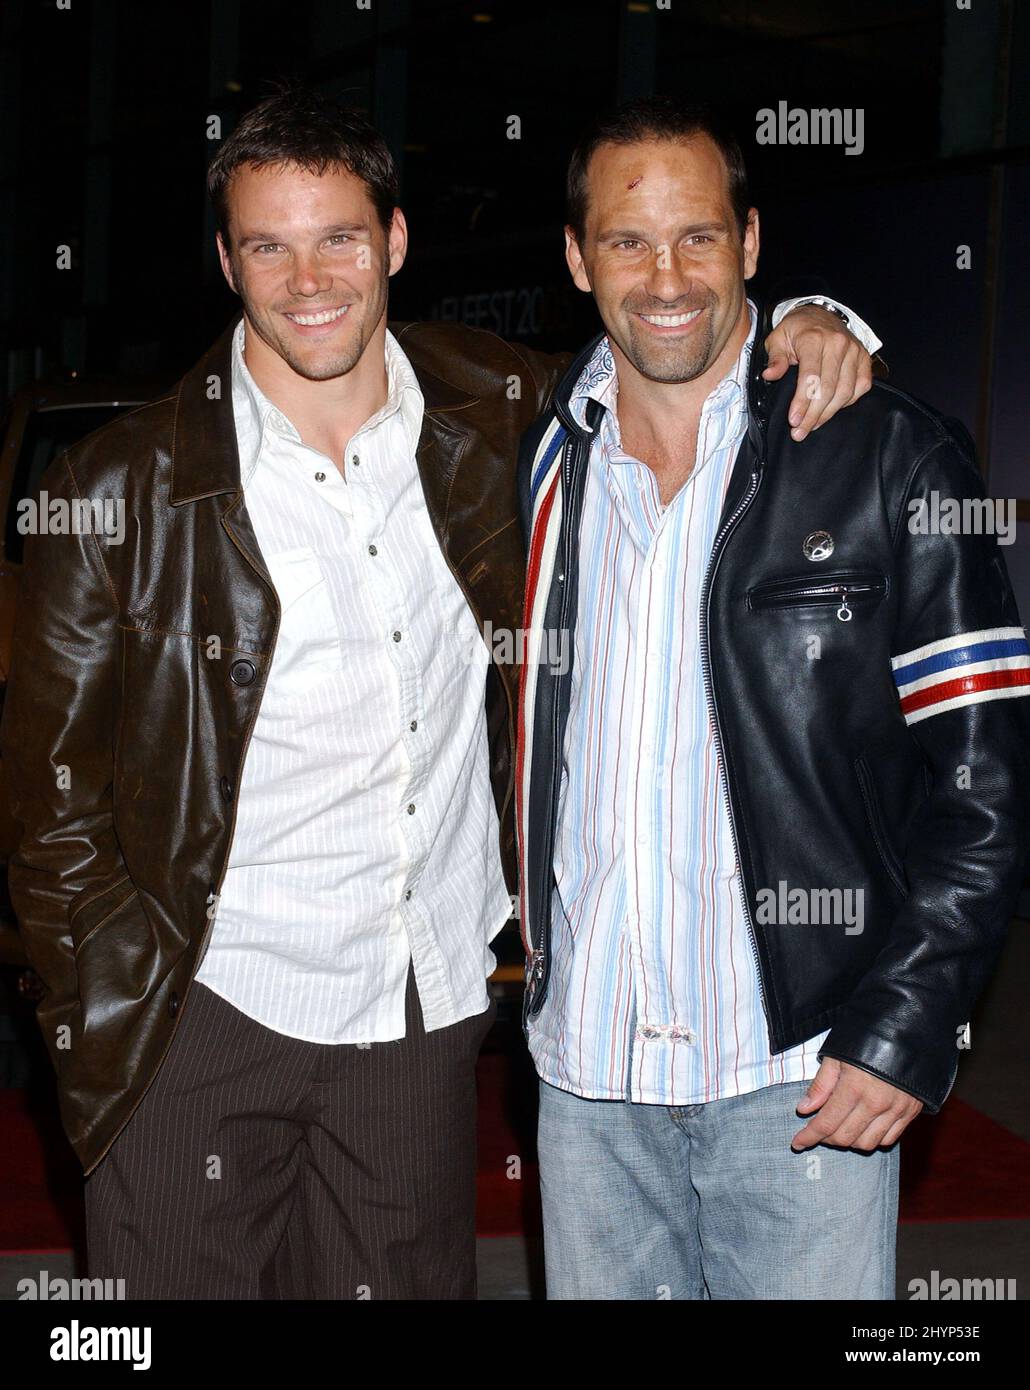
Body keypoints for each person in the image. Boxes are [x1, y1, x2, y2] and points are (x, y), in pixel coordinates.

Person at [0, 85, 877, 1299]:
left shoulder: (503, 410)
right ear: (226, 260)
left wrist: (817, 317)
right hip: (199, 1010)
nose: (309, 279)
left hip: (418, 1014)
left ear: (396, 242)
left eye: (340, 238)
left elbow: (673, 329)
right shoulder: (119, 493)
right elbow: (49, 818)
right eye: (270, 244)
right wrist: (115, 1007)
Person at [516, 95, 1030, 1300]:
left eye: (698, 235)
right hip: (586, 1084)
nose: (665, 275)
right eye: (628, 242)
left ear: (751, 244)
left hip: (802, 1078)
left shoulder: (888, 454)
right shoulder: (534, 452)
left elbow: (988, 785)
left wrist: (904, 1027)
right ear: (579, 259)